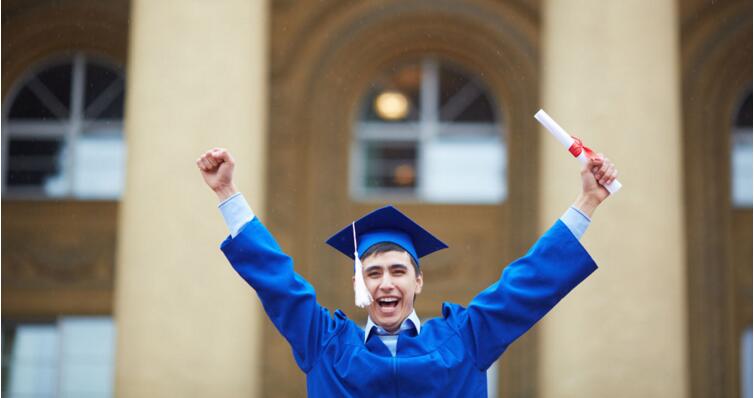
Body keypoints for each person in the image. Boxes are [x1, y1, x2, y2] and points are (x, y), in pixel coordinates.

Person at [196, 147, 618, 397]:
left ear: (418, 281)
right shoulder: (326, 345)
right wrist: (226, 192)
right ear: (360, 286)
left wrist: (588, 201)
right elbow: (279, 283)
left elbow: (528, 282)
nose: (385, 282)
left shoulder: (464, 340)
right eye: (372, 273)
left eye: (398, 270)